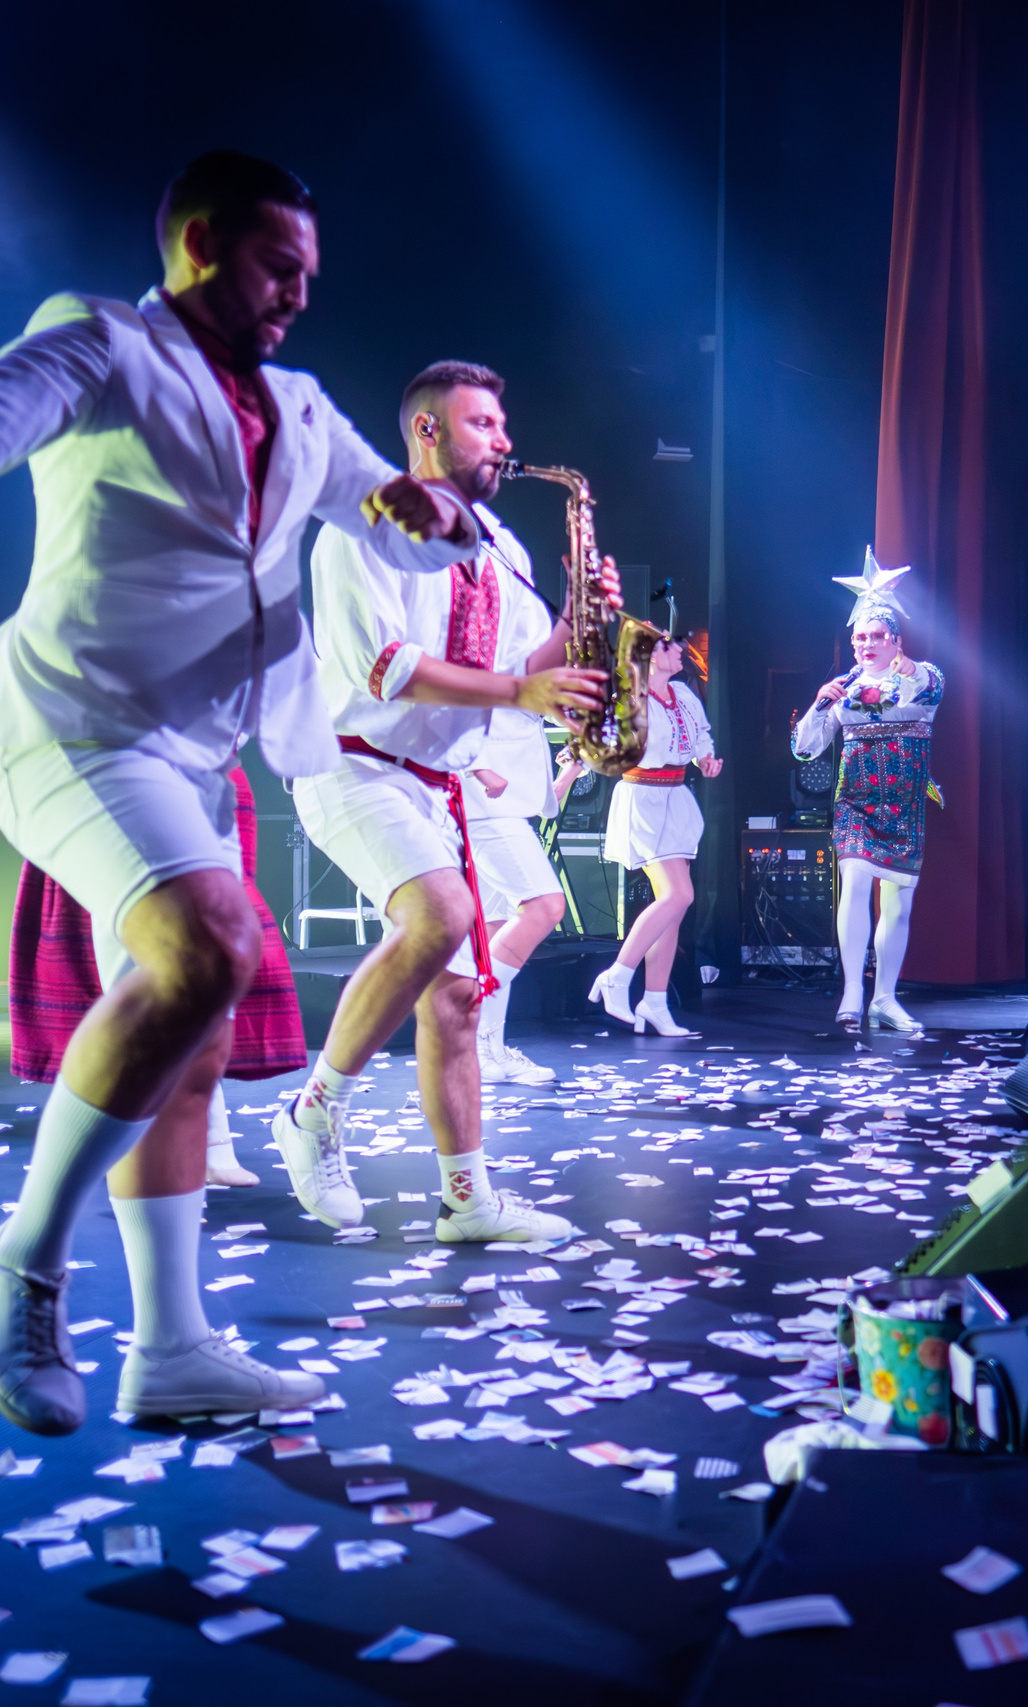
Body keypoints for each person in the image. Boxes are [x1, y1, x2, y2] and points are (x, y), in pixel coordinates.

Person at [0, 151, 478, 1433]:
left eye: (309, 274)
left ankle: (170, 1349)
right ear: (195, 244)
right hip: (69, 729)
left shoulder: (295, 405)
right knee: (209, 944)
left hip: (192, 752)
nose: (297, 294)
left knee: (197, 1028)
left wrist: (429, 514)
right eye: (276, 266)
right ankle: (17, 1260)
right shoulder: (104, 346)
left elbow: (380, 510)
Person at [282, 359, 606, 1246]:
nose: (504, 440)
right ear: (427, 431)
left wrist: (582, 614)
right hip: (349, 764)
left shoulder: (503, 547)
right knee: (441, 910)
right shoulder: (362, 527)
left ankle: (467, 1202)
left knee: (457, 998)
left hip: (434, 784)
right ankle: (311, 1116)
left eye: (503, 424)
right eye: (482, 425)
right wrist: (519, 695)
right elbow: (386, 669)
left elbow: (529, 670)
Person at [6, 768, 309, 1187]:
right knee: (147, 993)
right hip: (117, 776)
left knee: (210, 974)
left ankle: (210, 1147)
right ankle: (59, 1199)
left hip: (210, 779)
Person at [791, 550, 943, 1036]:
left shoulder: (923, 680)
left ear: (896, 641)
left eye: (877, 637)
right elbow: (804, 752)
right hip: (855, 802)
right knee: (855, 882)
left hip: (904, 805)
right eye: (859, 638)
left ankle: (885, 997)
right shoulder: (843, 690)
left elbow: (919, 688)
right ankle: (852, 990)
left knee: (897, 903)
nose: (866, 645)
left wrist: (890, 660)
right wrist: (819, 704)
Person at [463, 546, 576, 1086]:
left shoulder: (507, 638)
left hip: (502, 800)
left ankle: (489, 1051)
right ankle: (471, 1041)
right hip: (485, 801)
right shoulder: (474, 636)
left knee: (494, 930)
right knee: (544, 905)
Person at [587, 624, 721, 1037]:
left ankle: (656, 1001)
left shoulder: (682, 694)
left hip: (676, 796)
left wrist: (706, 761)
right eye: (669, 646)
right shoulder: (629, 702)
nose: (680, 651)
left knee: (676, 906)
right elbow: (596, 748)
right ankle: (617, 976)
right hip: (642, 799)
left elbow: (700, 737)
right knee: (679, 894)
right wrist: (566, 776)